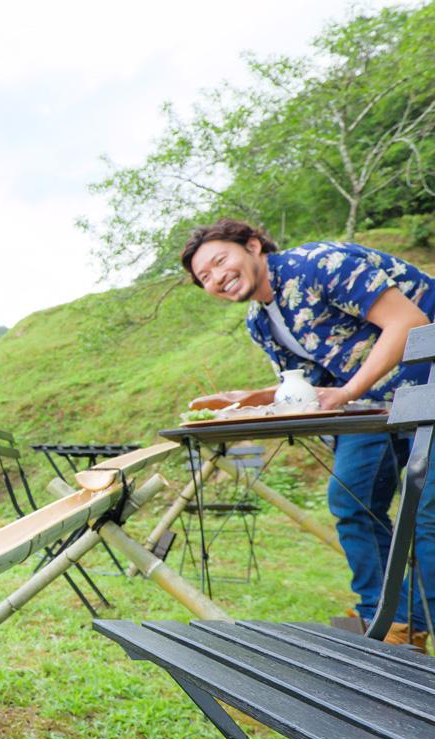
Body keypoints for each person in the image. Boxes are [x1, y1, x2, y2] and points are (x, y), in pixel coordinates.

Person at [182, 218, 435, 651]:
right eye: (204, 277)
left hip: (425, 381)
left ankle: (412, 619)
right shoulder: (259, 322)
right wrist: (247, 398)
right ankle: (386, 619)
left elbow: (409, 323)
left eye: (220, 261)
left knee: (428, 509)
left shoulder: (320, 264)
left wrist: (350, 390)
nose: (216, 277)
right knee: (351, 500)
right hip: (370, 405)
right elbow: (307, 387)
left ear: (254, 245)